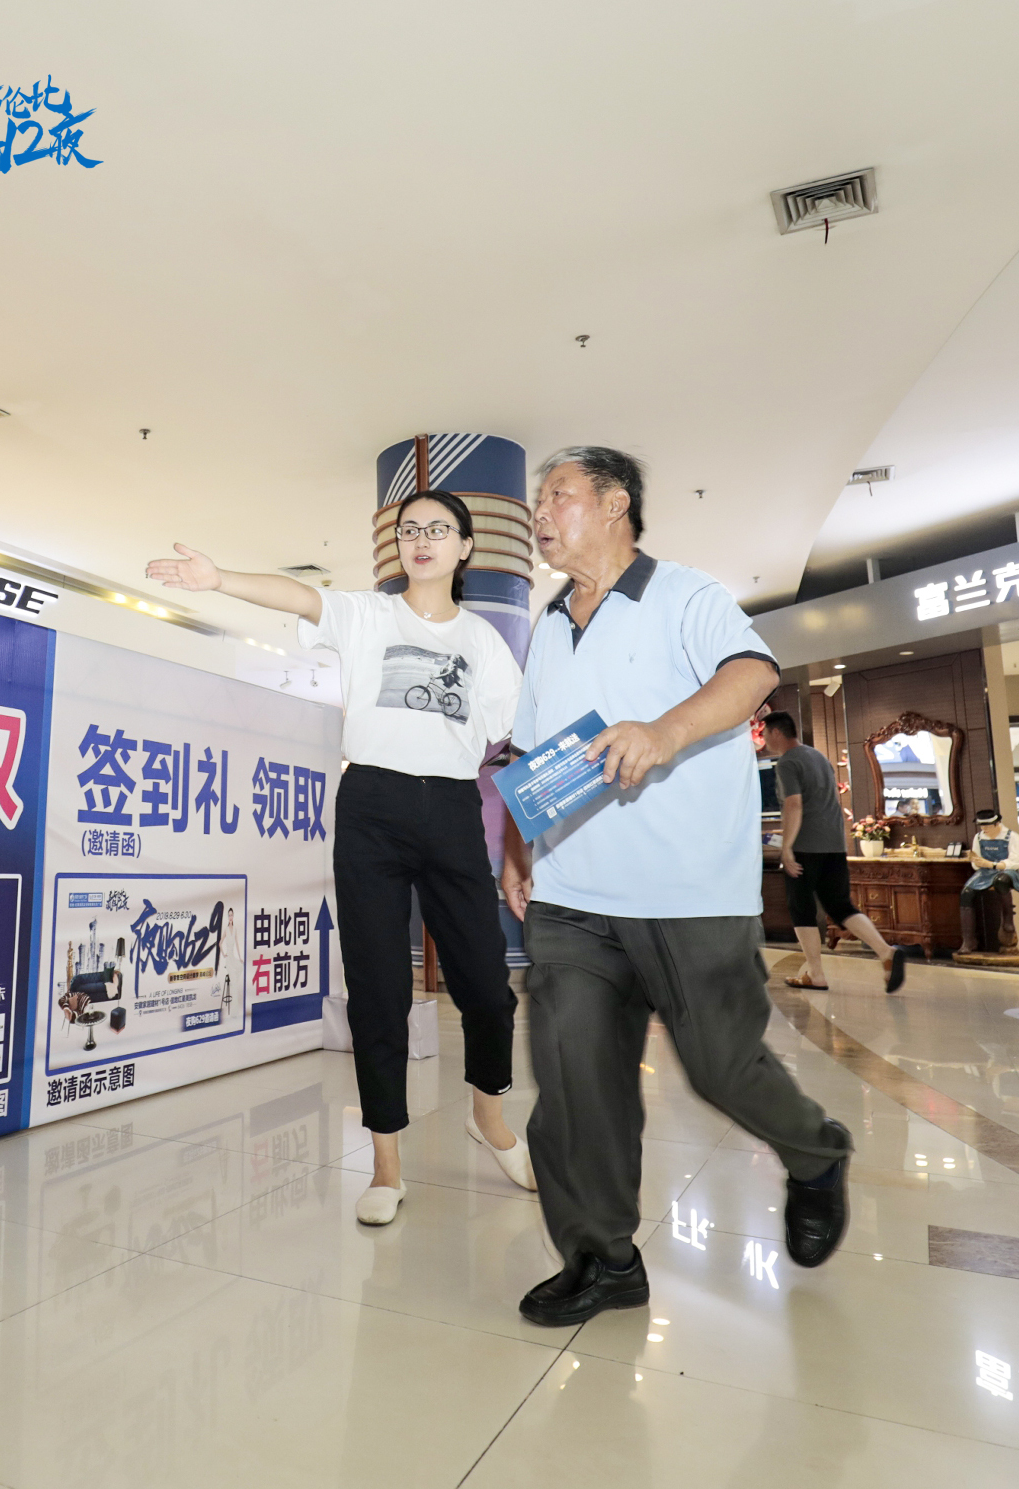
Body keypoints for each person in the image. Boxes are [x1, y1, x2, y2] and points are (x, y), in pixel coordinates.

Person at [500, 446, 852, 1329]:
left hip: (687, 891)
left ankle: (815, 1153)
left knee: (721, 1067)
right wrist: (515, 848)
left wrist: (662, 731)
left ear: (614, 503)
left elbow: (751, 675)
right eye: (537, 500)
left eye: (557, 495)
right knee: (573, 1081)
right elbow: (530, 752)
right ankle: (602, 1258)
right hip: (572, 894)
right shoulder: (549, 622)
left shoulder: (682, 594)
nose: (540, 512)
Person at [147, 490, 533, 1225]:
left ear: (464, 547)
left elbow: (517, 739)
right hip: (372, 808)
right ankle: (386, 1163)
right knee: (378, 991)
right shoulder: (366, 614)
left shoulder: (483, 641)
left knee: (488, 988)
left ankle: (488, 1117)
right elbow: (299, 595)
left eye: (438, 529)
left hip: (453, 808)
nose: (422, 539)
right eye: (410, 529)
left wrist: (520, 846)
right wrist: (220, 579)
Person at [761, 712, 912, 993]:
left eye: (765, 732)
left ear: (776, 732)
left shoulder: (787, 762)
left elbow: (794, 805)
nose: (764, 738)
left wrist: (787, 847)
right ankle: (886, 952)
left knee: (801, 908)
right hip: (834, 844)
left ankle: (815, 974)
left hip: (806, 845)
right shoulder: (818, 757)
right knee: (841, 906)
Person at [960, 806, 1019, 954]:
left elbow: (1015, 861)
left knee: (1001, 881)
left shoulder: (1012, 837)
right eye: (982, 826)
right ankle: (968, 940)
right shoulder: (979, 837)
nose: (984, 829)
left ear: (997, 824)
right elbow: (976, 862)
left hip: (1005, 870)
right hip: (985, 872)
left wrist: (994, 865)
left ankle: (1007, 919)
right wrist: (979, 862)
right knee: (966, 893)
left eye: (987, 826)